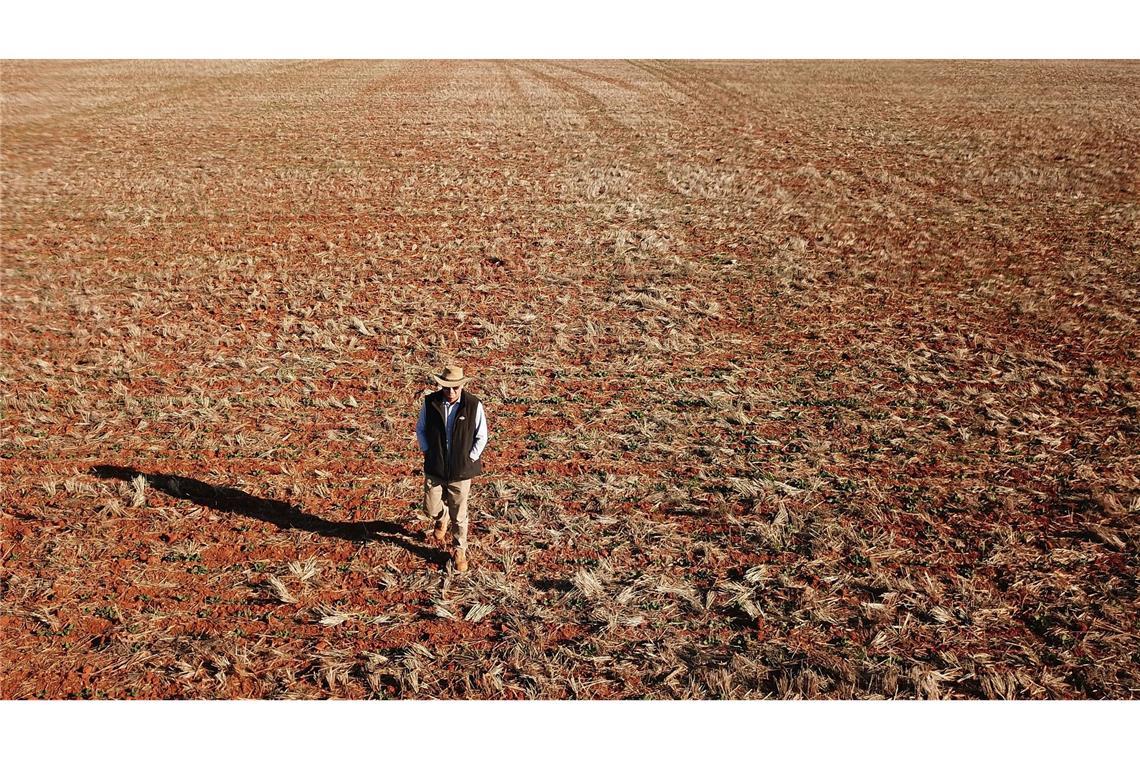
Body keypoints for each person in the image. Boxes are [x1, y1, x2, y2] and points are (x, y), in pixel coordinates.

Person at [415, 365, 489, 572]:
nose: (451, 392)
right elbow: (420, 429)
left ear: (462, 385)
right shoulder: (430, 403)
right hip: (435, 467)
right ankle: (441, 517)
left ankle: (459, 550)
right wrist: (428, 451)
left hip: (461, 471)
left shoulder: (473, 405)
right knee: (430, 508)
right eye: (447, 388)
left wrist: (469, 458)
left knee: (460, 515)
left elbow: (481, 436)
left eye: (455, 388)